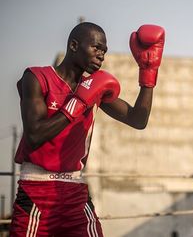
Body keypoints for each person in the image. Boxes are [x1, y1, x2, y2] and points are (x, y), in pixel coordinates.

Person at [9, 22, 165, 236]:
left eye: (104, 51)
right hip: (37, 189)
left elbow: (138, 120)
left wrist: (148, 74)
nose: (101, 55)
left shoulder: (95, 89)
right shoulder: (37, 78)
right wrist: (77, 103)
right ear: (74, 45)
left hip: (75, 190)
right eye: (96, 47)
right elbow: (35, 134)